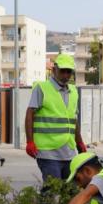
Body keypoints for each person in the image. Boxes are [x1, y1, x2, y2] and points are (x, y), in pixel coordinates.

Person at [24, 53, 87, 181]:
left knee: (70, 192)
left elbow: (73, 120)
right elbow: (30, 113)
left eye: (68, 72)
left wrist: (79, 142)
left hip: (69, 152)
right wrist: (30, 141)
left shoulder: (74, 92)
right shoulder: (42, 88)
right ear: (54, 70)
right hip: (48, 153)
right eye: (62, 71)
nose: (65, 75)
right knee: (52, 191)